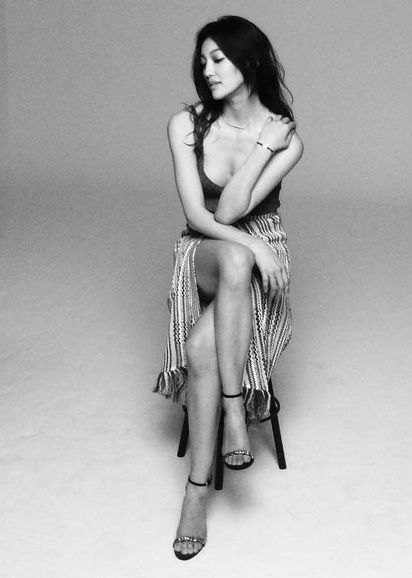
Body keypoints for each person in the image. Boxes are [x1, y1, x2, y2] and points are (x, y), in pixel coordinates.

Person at [154, 15, 304, 560]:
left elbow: (236, 208)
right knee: (237, 255)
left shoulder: (286, 140)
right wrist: (251, 246)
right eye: (203, 61)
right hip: (203, 251)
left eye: (219, 59)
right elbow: (202, 217)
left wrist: (263, 146)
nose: (208, 70)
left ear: (251, 60)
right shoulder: (186, 124)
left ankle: (195, 495)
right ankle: (236, 412)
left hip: (257, 253)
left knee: (201, 349)